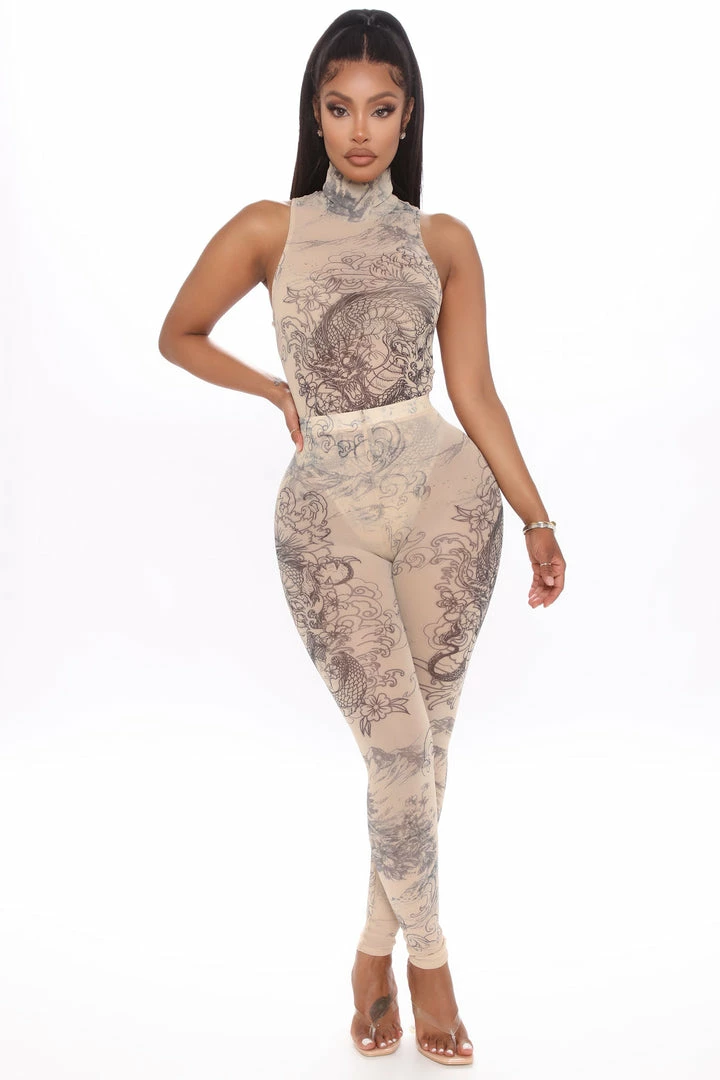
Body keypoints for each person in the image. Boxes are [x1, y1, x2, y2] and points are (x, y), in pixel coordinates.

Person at [158, 8, 566, 1067]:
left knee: (426, 747)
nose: (359, 130)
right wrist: (271, 388)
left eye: (381, 110)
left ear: (408, 117)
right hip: (327, 506)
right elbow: (178, 334)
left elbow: (475, 393)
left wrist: (536, 516)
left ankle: (376, 955)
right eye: (339, 108)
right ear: (314, 113)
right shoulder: (268, 229)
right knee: (394, 743)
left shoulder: (443, 242)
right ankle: (429, 965)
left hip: (447, 494)